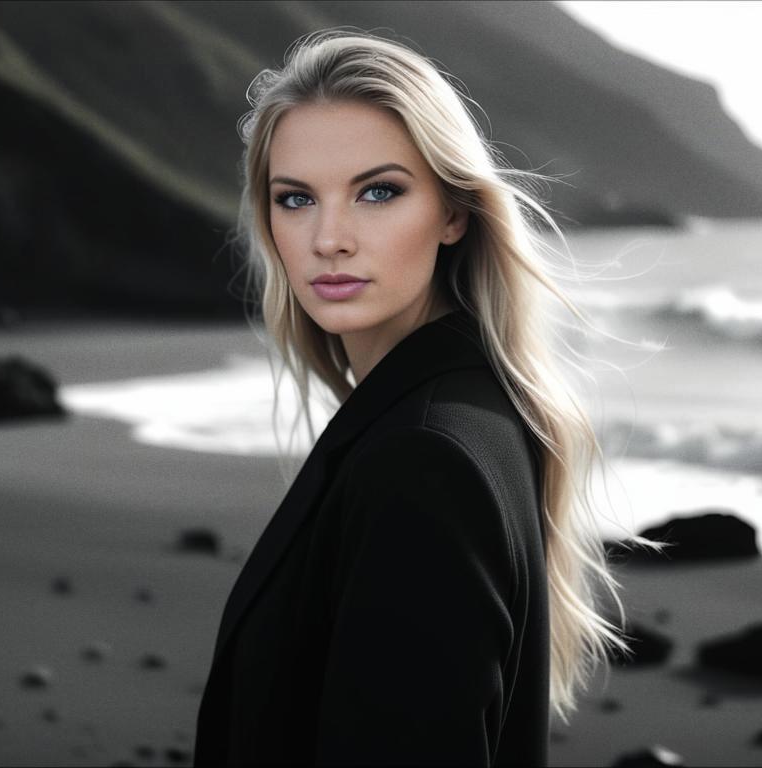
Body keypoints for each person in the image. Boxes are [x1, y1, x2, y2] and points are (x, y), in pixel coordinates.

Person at [194, 28, 654, 767]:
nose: (329, 238)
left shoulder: (425, 462)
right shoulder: (467, 412)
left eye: (379, 192)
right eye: (295, 199)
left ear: (453, 212)